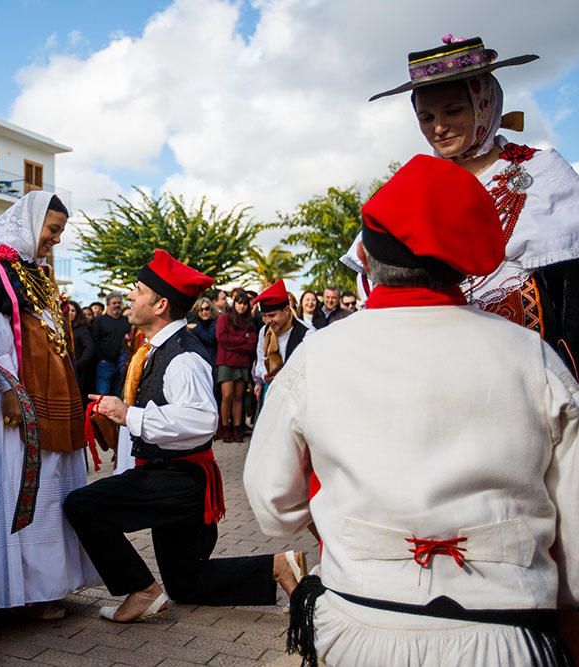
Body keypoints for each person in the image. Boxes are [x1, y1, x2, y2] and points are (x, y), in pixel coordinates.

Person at [245, 155, 577, 666]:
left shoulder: (319, 353)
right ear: (464, 262)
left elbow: (272, 506)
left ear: (370, 262)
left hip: (359, 626)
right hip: (507, 634)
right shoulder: (531, 356)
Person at [63, 250, 306, 623]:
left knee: (83, 505)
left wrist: (129, 414)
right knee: (185, 584)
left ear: (160, 304)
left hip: (175, 480)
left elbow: (200, 420)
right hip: (176, 479)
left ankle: (141, 589)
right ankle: (279, 567)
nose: (130, 296)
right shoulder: (160, 350)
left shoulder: (182, 357)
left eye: (138, 290)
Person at [345, 34, 579, 377]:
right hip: (434, 364)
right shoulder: (413, 187)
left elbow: (571, 294)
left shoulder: (541, 173)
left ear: (484, 103)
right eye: (426, 117)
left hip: (530, 368)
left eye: (453, 111)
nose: (439, 128)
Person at [0, 191, 99, 619]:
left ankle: (44, 586)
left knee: (49, 482)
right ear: (32, 223)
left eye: (59, 232)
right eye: (52, 230)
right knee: (18, 479)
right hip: (12, 394)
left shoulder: (36, 271)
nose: (55, 239)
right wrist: (9, 390)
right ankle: (18, 591)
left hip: (45, 390)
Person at [253, 279, 309, 407]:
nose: (267, 321)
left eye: (272, 315)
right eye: (264, 316)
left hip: (297, 396)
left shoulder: (306, 334)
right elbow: (261, 359)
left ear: (287, 310)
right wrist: (265, 374)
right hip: (271, 390)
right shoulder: (264, 331)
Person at [215, 292, 257, 442]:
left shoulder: (249, 321)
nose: (242, 306)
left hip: (242, 363)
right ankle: (225, 427)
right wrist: (242, 340)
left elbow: (251, 344)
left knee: (239, 397)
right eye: (239, 303)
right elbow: (222, 338)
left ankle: (237, 427)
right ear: (234, 303)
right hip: (226, 362)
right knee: (226, 396)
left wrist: (235, 344)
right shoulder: (224, 318)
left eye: (245, 303)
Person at [90, 292, 130, 396]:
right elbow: (94, 340)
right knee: (102, 395)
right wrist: (100, 358)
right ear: (108, 305)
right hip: (105, 364)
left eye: (119, 303)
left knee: (117, 396)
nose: (117, 305)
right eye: (114, 303)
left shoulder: (126, 321)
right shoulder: (99, 321)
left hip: (122, 364)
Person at [67, 299, 96, 404]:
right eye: (68, 310)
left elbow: (89, 348)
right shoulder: (60, 328)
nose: (70, 313)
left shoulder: (82, 329)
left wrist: (78, 364)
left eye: (73, 311)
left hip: (78, 370)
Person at [186, 296, 218, 363]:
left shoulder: (215, 321)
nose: (204, 312)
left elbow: (209, 338)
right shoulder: (195, 322)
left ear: (211, 309)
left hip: (212, 359)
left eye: (207, 309)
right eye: (201, 309)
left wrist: (196, 327)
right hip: (198, 359)